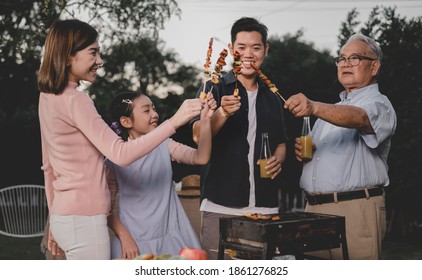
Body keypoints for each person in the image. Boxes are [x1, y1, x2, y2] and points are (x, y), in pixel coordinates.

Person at [37, 19, 204, 260]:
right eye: (93, 52)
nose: (99, 60)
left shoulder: (47, 97)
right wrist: (175, 121)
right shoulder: (76, 100)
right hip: (85, 219)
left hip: (66, 218)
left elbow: (48, 166)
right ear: (67, 56)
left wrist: (55, 218)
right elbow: (120, 153)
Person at [284, 33, 397, 259]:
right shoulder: (332, 110)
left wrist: (313, 107)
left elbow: (362, 119)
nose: (345, 63)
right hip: (314, 210)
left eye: (354, 58)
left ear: (374, 67)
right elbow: (321, 154)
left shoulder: (379, 103)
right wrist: (308, 153)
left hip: (354, 210)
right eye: (342, 58)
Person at [191, 17, 288, 259]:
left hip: (265, 207)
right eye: (242, 48)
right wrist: (222, 113)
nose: (248, 54)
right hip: (220, 206)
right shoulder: (214, 87)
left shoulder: (274, 96)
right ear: (233, 50)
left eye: (256, 47)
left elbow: (281, 143)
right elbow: (196, 136)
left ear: (265, 50)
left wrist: (278, 158)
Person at [105, 91, 215, 259]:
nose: (155, 114)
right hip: (133, 240)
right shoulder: (114, 158)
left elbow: (201, 157)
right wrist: (124, 237)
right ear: (126, 121)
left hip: (173, 235)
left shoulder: (164, 145)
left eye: (154, 108)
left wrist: (205, 121)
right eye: (146, 110)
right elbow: (105, 208)